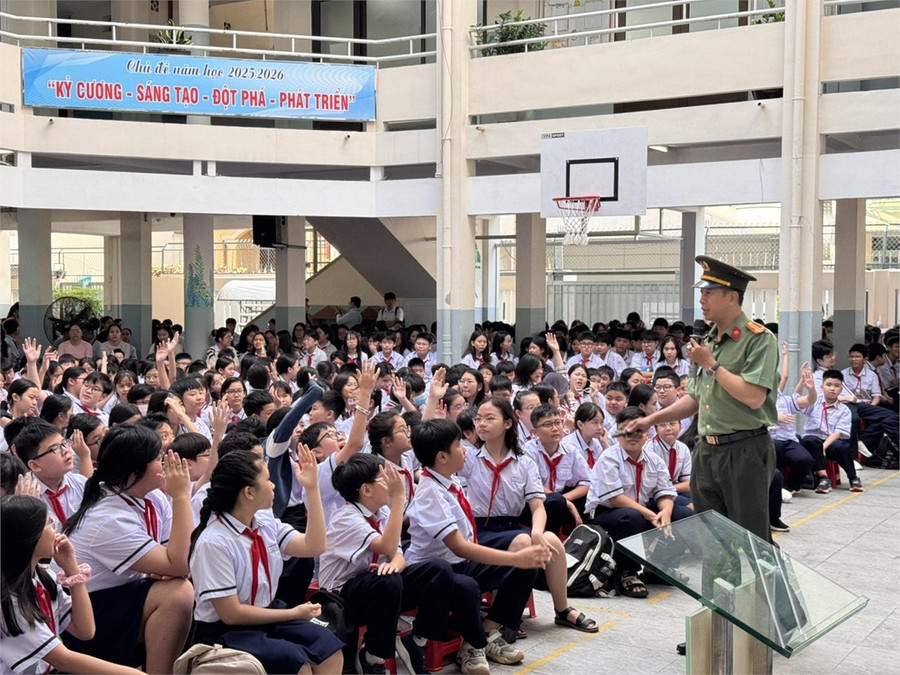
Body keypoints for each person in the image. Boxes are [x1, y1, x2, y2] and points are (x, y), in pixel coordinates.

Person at [625, 256, 779, 542]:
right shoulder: (706, 341)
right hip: (707, 450)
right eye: (702, 292)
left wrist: (711, 364)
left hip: (744, 449)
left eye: (709, 293)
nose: (702, 299)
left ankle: (767, 575)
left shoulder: (758, 339)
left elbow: (754, 397)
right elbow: (695, 399)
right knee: (711, 535)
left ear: (732, 297)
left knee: (751, 537)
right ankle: (719, 575)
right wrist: (650, 420)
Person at [189, 447, 344, 674]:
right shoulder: (214, 542)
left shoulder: (263, 522)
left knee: (329, 650)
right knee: (296, 664)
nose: (273, 486)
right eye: (268, 480)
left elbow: (314, 546)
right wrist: (294, 613)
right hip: (225, 631)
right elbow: (232, 614)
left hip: (266, 614)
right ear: (249, 492)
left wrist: (312, 489)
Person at [0, 494, 142, 675]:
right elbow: (63, 660)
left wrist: (72, 570)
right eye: (49, 525)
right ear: (29, 537)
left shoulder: (43, 577)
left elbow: (85, 630)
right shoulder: (9, 600)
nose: (56, 531)